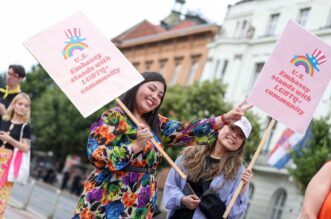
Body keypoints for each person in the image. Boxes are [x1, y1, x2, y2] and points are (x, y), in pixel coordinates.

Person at [72, 72, 250, 219]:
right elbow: (96, 154)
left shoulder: (158, 124)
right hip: (109, 196)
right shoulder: (113, 117)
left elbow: (187, 131)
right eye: (151, 88)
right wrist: (135, 146)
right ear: (136, 87)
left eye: (160, 95)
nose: (155, 97)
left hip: (139, 202)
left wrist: (225, 118)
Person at [163, 116, 253, 219]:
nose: (234, 135)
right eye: (232, 128)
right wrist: (182, 200)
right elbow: (171, 185)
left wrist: (242, 189)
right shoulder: (189, 154)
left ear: (242, 143)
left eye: (241, 135)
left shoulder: (239, 171)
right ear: (220, 127)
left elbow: (234, 214)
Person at [0, 93, 31, 217]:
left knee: (2, 196)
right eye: (20, 104)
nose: (22, 107)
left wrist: (9, 139)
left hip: (9, 163)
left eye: (26, 105)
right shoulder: (3, 121)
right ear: (14, 104)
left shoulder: (26, 127)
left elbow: (25, 148)